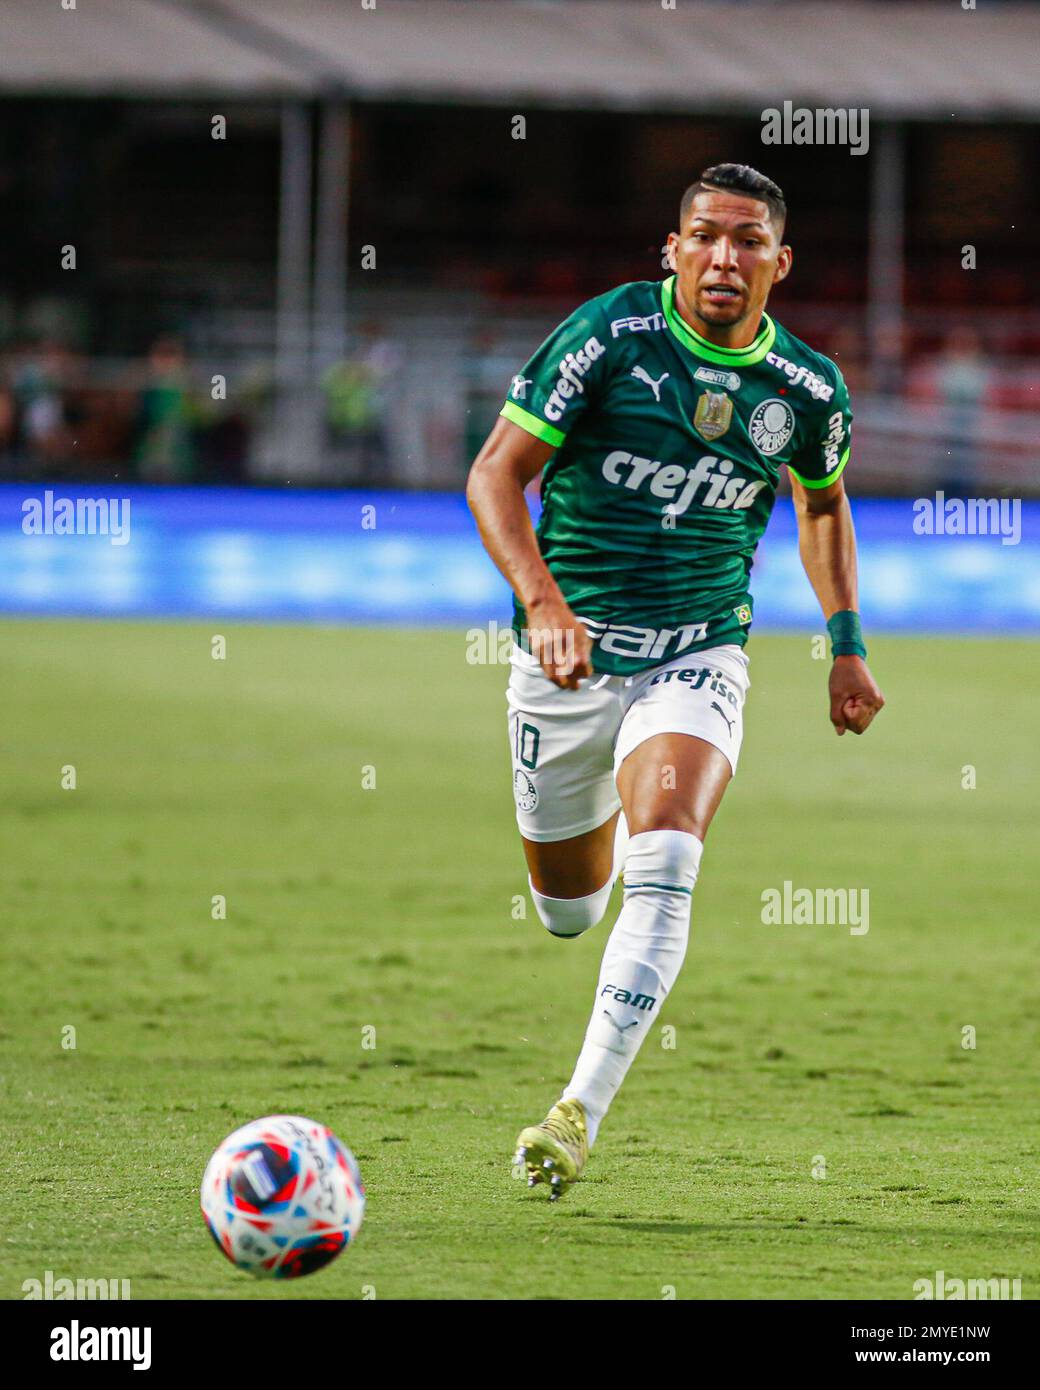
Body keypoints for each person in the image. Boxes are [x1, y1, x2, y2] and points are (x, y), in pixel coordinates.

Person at [466, 163, 885, 1201]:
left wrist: (844, 640)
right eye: (703, 235)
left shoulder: (805, 389)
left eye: (747, 241)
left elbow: (820, 506)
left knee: (667, 854)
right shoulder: (607, 338)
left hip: (696, 650)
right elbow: (494, 472)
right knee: (567, 908)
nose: (722, 257)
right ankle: (587, 853)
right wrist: (543, 604)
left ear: (778, 263)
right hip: (565, 659)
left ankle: (574, 1114)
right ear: (671, 248)